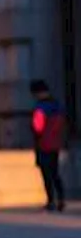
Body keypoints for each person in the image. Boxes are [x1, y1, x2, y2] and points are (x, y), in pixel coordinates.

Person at [30, 79, 67, 212]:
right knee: (55, 173)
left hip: (43, 144)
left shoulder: (40, 108)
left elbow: (37, 127)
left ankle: (50, 201)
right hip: (55, 144)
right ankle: (61, 200)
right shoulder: (57, 105)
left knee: (46, 175)